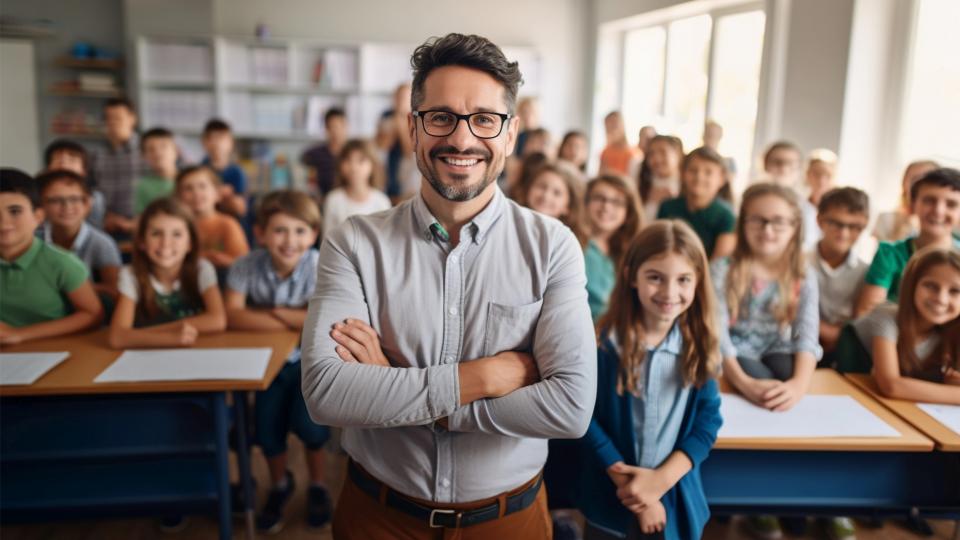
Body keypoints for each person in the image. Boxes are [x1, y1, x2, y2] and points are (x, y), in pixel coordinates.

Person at [300, 33, 597, 539]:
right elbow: (327, 394)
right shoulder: (355, 243)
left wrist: (402, 392)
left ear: (510, 134)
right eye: (441, 117)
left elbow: (570, 408)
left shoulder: (553, 246)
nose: (462, 139)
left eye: (484, 119)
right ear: (413, 129)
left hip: (508, 520)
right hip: (379, 517)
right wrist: (483, 377)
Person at [578, 220, 722, 540]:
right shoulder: (604, 344)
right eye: (655, 277)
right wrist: (640, 498)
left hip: (674, 494)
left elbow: (708, 421)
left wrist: (660, 484)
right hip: (611, 494)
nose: (670, 292)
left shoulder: (702, 345)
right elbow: (583, 417)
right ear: (632, 276)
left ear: (698, 281)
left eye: (683, 279)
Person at [711, 183, 820, 540]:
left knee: (790, 382)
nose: (767, 230)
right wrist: (742, 380)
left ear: (795, 228)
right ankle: (757, 498)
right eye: (757, 221)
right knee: (763, 389)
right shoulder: (723, 269)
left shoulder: (804, 273)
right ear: (743, 223)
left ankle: (793, 496)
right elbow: (718, 334)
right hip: (734, 352)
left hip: (775, 346)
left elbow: (806, 334)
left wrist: (799, 386)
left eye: (778, 222)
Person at [224, 190, 332, 532]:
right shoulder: (245, 265)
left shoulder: (323, 265)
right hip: (262, 366)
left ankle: (317, 485)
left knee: (311, 429)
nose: (289, 241)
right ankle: (280, 485)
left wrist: (269, 312)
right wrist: (294, 316)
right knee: (268, 434)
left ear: (313, 234)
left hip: (309, 363)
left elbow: (325, 319)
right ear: (260, 233)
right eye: (279, 230)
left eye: (300, 231)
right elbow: (232, 316)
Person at [845, 247, 960, 405]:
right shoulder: (886, 318)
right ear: (911, 285)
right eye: (931, 286)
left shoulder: (952, 331)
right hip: (849, 391)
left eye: (955, 291)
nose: (941, 299)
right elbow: (891, 386)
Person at [0, 168, 103, 344]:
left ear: (38, 216)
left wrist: (19, 334)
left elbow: (92, 315)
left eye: (15, 211)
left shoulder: (61, 262)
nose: (3, 222)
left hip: (55, 350)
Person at [108, 198, 226, 349]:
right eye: (156, 233)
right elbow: (117, 338)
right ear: (142, 242)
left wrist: (141, 335)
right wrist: (170, 338)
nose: (165, 243)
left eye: (176, 234)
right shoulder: (130, 275)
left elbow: (217, 320)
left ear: (190, 243)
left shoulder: (202, 269)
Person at [855, 168, 960, 317]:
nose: (938, 210)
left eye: (951, 204)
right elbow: (866, 314)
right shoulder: (889, 254)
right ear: (912, 205)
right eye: (929, 200)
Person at [37, 169, 123, 299]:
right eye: (55, 200)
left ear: (87, 204)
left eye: (74, 199)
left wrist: (69, 285)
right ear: (41, 205)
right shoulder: (33, 239)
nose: (66, 206)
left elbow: (114, 291)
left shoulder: (102, 244)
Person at [809, 188, 870, 357]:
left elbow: (861, 324)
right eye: (836, 223)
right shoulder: (798, 262)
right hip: (798, 343)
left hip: (843, 351)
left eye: (854, 227)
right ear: (820, 220)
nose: (844, 233)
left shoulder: (866, 272)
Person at [656, 146, 736, 260]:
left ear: (722, 179)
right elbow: (658, 248)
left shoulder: (727, 216)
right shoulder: (667, 207)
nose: (699, 177)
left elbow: (719, 263)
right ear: (682, 174)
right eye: (693, 170)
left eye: (708, 172)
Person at [585, 174, 644, 322]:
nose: (606, 207)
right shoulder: (572, 243)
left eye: (617, 202)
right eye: (599, 198)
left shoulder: (632, 252)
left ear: (628, 212)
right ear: (586, 202)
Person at [174, 166, 249, 271]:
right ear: (178, 197)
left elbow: (245, 264)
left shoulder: (228, 224)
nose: (196, 193)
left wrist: (222, 260)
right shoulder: (175, 226)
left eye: (202, 186)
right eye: (188, 188)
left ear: (217, 194)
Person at [92, 97, 142, 235]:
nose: (112, 123)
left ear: (132, 119)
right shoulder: (97, 155)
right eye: (108, 118)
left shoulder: (147, 151)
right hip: (106, 225)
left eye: (118, 118)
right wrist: (107, 217)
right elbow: (91, 190)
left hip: (141, 224)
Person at [321, 139, 391, 234]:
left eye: (361, 160)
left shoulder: (381, 201)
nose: (353, 167)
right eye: (348, 160)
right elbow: (327, 238)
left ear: (372, 165)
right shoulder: (333, 199)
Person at [43, 138, 106, 229]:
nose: (63, 164)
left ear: (83, 171)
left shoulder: (95, 199)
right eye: (58, 159)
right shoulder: (37, 196)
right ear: (48, 168)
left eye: (72, 159)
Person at [873, 160, 939, 243]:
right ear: (904, 184)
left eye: (929, 180)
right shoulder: (886, 220)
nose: (922, 186)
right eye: (915, 180)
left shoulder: (947, 222)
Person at [523, 161, 587, 245]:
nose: (546, 196)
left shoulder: (567, 243)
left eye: (557, 193)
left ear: (568, 206)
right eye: (542, 186)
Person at [377, 84, 417, 200]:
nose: (400, 101)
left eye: (404, 98)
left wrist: (399, 125)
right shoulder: (386, 115)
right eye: (398, 97)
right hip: (387, 169)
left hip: (408, 174)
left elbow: (409, 152)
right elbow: (381, 147)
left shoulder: (416, 119)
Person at [201, 118, 248, 217]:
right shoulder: (199, 171)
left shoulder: (237, 172)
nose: (216, 143)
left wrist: (212, 195)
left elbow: (240, 207)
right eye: (211, 138)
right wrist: (220, 194)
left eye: (221, 138)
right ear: (204, 142)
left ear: (231, 142)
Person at [301, 107, 348, 197]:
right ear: (326, 128)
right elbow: (308, 182)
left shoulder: (353, 154)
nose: (336, 131)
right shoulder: (313, 155)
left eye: (340, 126)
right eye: (333, 127)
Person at [799, 148, 839, 251]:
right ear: (807, 175)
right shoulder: (797, 206)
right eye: (816, 174)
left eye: (827, 175)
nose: (821, 180)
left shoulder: (840, 210)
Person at [638, 135, 683, 223]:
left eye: (663, 152)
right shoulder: (641, 182)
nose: (657, 159)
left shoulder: (688, 184)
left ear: (677, 154)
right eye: (651, 154)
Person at [134, 128, 178, 215]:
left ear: (176, 151)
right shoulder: (143, 186)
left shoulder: (190, 180)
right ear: (144, 156)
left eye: (163, 146)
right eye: (151, 149)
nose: (158, 153)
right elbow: (141, 218)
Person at [599, 111, 640, 176]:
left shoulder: (634, 153)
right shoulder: (605, 152)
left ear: (622, 125)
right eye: (608, 125)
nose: (611, 129)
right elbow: (600, 176)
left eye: (614, 124)